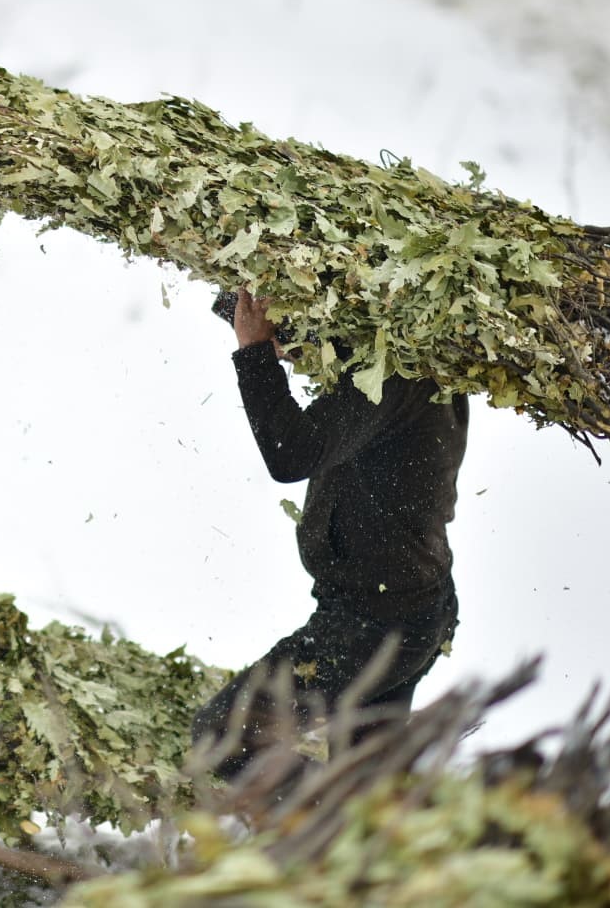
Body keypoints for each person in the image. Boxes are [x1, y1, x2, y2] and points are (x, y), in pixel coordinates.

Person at [193, 291, 468, 778]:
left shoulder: (391, 380)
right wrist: (268, 343)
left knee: (223, 737)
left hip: (376, 623)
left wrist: (254, 351)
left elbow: (290, 454)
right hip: (407, 608)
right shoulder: (414, 372)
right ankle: (357, 828)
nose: (289, 352)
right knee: (367, 779)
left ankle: (326, 822)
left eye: (289, 336)